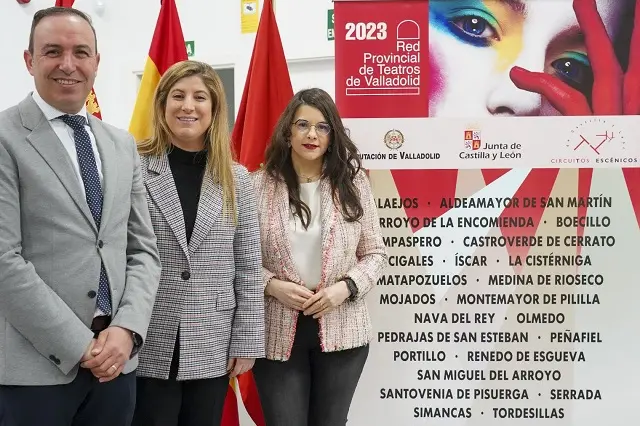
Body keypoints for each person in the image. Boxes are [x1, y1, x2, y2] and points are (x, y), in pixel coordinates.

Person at [0, 7, 161, 426]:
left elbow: (142, 251)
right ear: (29, 60)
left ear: (96, 62)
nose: (68, 64)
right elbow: (4, 260)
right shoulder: (5, 137)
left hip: (117, 364)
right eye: (53, 51)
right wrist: (79, 345)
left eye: (81, 52)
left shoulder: (122, 144)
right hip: (36, 371)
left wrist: (127, 330)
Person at [131, 60, 265, 426]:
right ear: (162, 104)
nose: (187, 106)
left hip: (212, 338)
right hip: (146, 334)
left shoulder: (237, 178)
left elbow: (249, 267)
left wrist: (246, 342)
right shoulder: (134, 166)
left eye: (199, 97)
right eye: (178, 96)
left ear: (214, 108)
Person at [251, 88, 387, 426]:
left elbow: (375, 253)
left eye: (322, 127)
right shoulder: (257, 186)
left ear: (332, 135)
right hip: (275, 332)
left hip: (343, 331)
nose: (312, 134)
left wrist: (345, 288)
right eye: (303, 125)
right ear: (288, 132)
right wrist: (272, 285)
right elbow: (239, 260)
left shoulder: (353, 183)